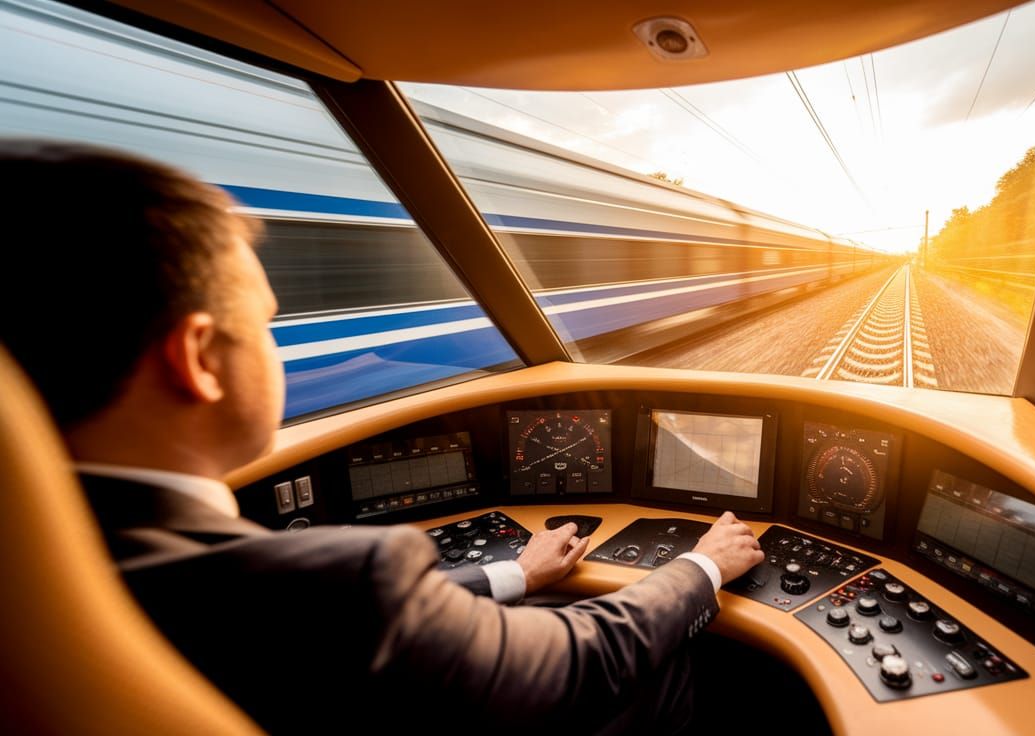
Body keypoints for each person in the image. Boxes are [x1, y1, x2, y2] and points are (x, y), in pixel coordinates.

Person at [0, 140, 765, 734]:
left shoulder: (55, 575)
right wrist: (701, 565)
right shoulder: (340, 587)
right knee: (665, 671)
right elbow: (587, 659)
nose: (271, 342)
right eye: (266, 322)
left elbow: (332, 638)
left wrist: (513, 578)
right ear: (199, 359)